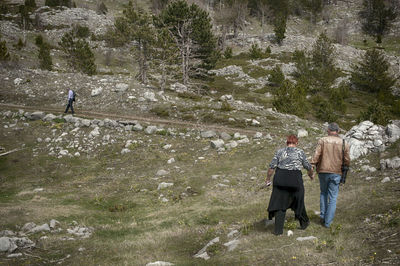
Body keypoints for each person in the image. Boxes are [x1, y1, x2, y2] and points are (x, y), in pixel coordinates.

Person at [265, 135, 314, 235]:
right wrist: (311, 175)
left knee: (280, 203)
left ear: (287, 142)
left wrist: (268, 179)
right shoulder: (300, 152)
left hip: (280, 179)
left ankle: (278, 231)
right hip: (295, 179)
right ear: (296, 143)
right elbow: (308, 167)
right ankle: (304, 223)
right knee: (298, 201)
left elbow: (271, 167)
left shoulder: (279, 151)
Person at [311, 122, 350, 228]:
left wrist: (313, 165)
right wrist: (345, 168)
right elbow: (346, 159)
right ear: (338, 131)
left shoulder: (322, 140)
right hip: (336, 172)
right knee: (333, 197)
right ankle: (328, 222)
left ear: (328, 130)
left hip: (323, 171)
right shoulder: (343, 143)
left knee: (323, 193)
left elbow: (316, 154)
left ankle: (323, 217)